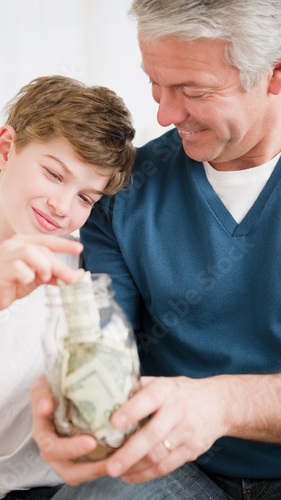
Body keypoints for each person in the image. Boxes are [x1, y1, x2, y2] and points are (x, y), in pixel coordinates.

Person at [31, 1, 281, 499]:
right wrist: (64, 396)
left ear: (274, 76)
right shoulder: (123, 196)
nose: (165, 114)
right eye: (155, 83)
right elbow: (108, 342)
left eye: (193, 91)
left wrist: (222, 404)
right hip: (172, 467)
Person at [0, 75, 135, 499]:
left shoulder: (87, 263)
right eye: (54, 174)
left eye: (86, 198)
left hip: (53, 487)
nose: (62, 206)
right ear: (4, 149)